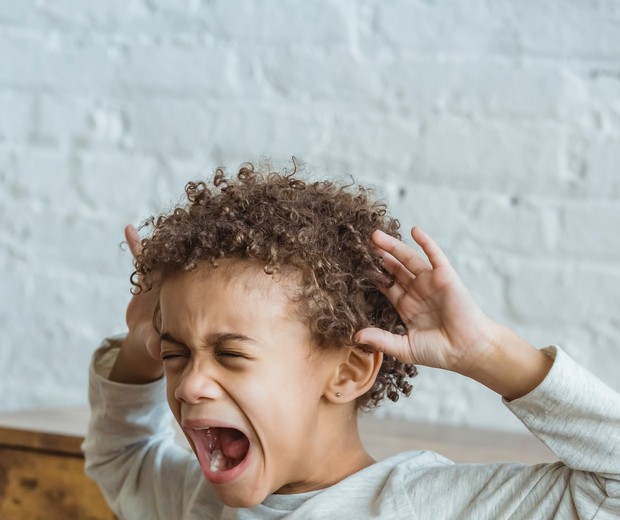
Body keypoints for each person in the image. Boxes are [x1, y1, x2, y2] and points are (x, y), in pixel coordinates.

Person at [83, 164, 620, 519]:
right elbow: (119, 457)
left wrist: (487, 354)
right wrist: (141, 345)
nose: (191, 383)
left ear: (347, 371)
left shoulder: (422, 507)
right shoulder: (194, 502)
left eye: (232, 355)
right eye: (175, 354)